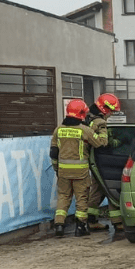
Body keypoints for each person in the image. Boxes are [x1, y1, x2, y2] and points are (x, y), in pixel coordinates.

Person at [50, 99, 106, 237]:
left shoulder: (58, 130)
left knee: (63, 197)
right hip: (80, 172)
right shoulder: (84, 130)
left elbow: (53, 152)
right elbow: (101, 143)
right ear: (81, 114)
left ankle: (59, 225)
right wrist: (103, 130)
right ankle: (81, 227)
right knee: (81, 198)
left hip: (63, 171)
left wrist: (57, 169)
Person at [83, 93, 120, 234]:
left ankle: (91, 220)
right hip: (99, 160)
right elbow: (102, 142)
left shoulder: (87, 117)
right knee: (110, 188)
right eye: (111, 111)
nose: (111, 114)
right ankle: (118, 222)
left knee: (97, 190)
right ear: (105, 108)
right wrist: (114, 142)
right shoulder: (99, 122)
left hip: (92, 160)